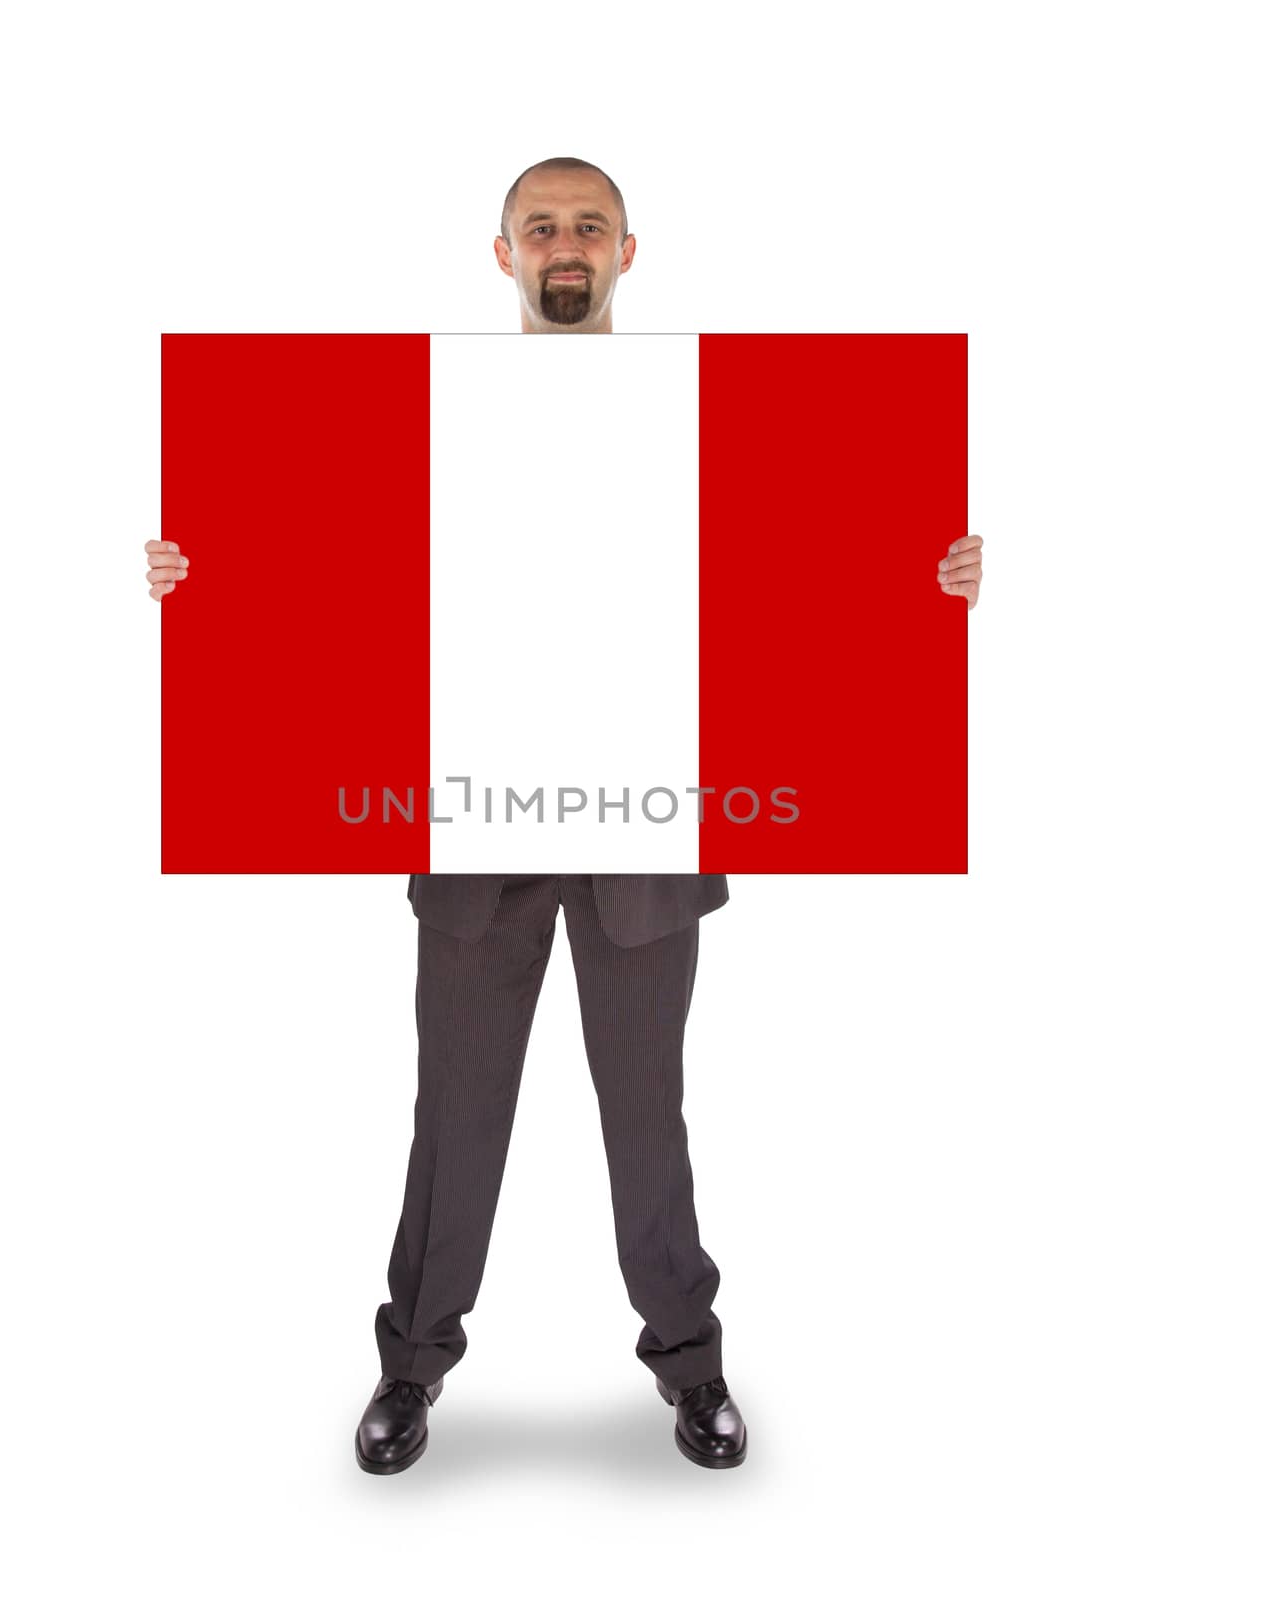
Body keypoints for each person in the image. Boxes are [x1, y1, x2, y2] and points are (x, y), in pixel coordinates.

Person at [144, 156, 985, 1475]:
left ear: (626, 251)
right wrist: (209, 576)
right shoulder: (431, 417)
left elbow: (787, 577)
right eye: (541, 226)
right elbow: (340, 578)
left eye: (586, 224)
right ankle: (409, 1369)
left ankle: (689, 1366)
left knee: (647, 1115)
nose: (564, 243)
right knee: (455, 1113)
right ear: (504, 257)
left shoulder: (701, 416)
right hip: (476, 825)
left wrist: (919, 579)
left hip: (642, 826)